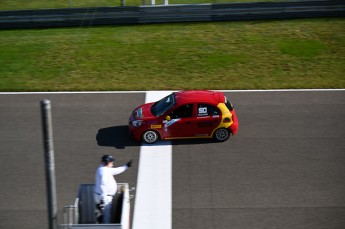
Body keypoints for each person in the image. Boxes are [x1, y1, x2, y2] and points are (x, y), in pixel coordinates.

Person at [94, 155, 132, 224]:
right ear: (107, 162)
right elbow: (103, 185)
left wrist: (126, 166)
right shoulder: (104, 172)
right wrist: (103, 199)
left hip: (101, 196)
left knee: (102, 215)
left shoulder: (103, 168)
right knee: (107, 217)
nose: (112, 164)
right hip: (105, 198)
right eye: (111, 162)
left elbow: (116, 170)